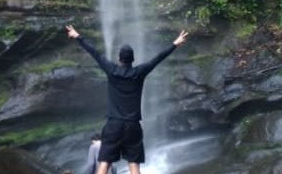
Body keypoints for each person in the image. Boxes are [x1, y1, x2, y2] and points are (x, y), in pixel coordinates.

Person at [65, 24, 189, 174]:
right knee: (134, 164)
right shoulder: (139, 72)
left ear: (119, 59)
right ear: (133, 59)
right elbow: (157, 59)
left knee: (104, 161)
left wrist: (77, 35)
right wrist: (175, 43)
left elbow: (95, 53)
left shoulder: (112, 70)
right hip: (133, 126)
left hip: (114, 124)